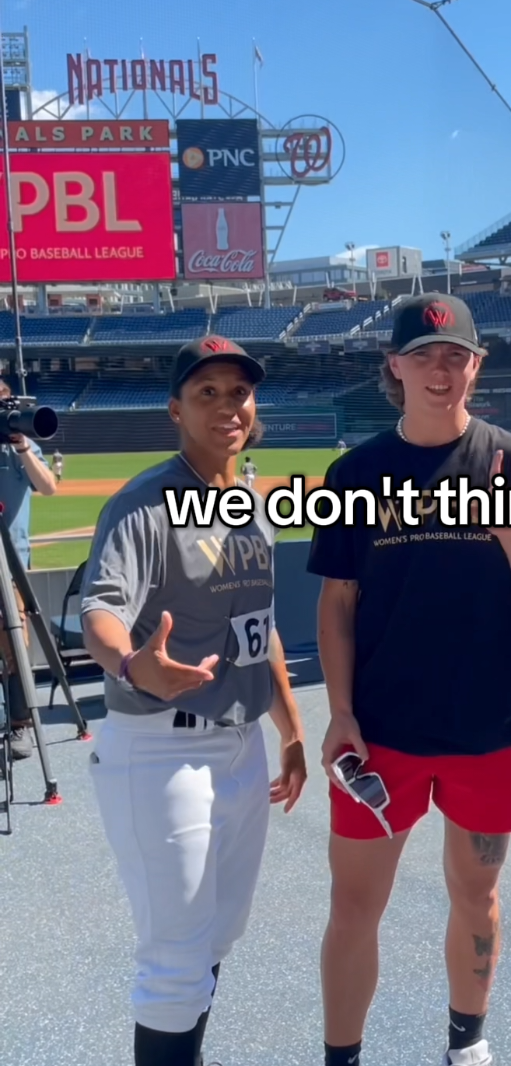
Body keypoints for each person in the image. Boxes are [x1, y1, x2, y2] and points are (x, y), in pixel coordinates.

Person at [307, 293, 511, 1066]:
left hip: (487, 730)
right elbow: (336, 604)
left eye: (455, 354)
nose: (439, 368)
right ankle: (342, 1055)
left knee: (477, 893)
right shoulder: (356, 472)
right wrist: (340, 711)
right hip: (381, 732)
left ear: (476, 365)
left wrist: (508, 528)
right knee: (355, 905)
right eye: (422, 354)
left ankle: (467, 1042)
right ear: (394, 366)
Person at [80, 336, 308, 1066]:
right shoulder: (144, 502)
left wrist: (294, 731)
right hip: (161, 748)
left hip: (242, 747)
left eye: (237, 392)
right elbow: (102, 610)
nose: (226, 405)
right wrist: (131, 663)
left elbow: (260, 630)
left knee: (215, 937)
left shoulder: (247, 502)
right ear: (176, 409)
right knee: (175, 961)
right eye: (206, 392)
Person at [0, 379, 58, 766]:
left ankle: (20, 723)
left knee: (14, 645)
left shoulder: (19, 448)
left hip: (10, 562)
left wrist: (22, 447)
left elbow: (48, 486)